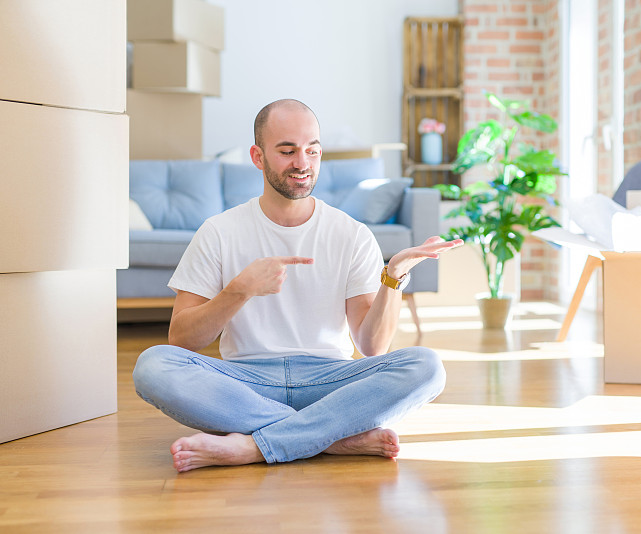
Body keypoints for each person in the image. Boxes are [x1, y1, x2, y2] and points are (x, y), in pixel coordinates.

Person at [132, 99, 462, 472]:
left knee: (427, 365)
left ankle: (257, 446)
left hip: (331, 379)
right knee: (153, 365)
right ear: (258, 157)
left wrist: (394, 276)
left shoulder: (351, 235)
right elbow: (182, 340)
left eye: (312, 151)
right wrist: (239, 290)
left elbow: (372, 346)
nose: (302, 163)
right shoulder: (219, 232)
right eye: (287, 151)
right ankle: (330, 437)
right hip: (247, 382)